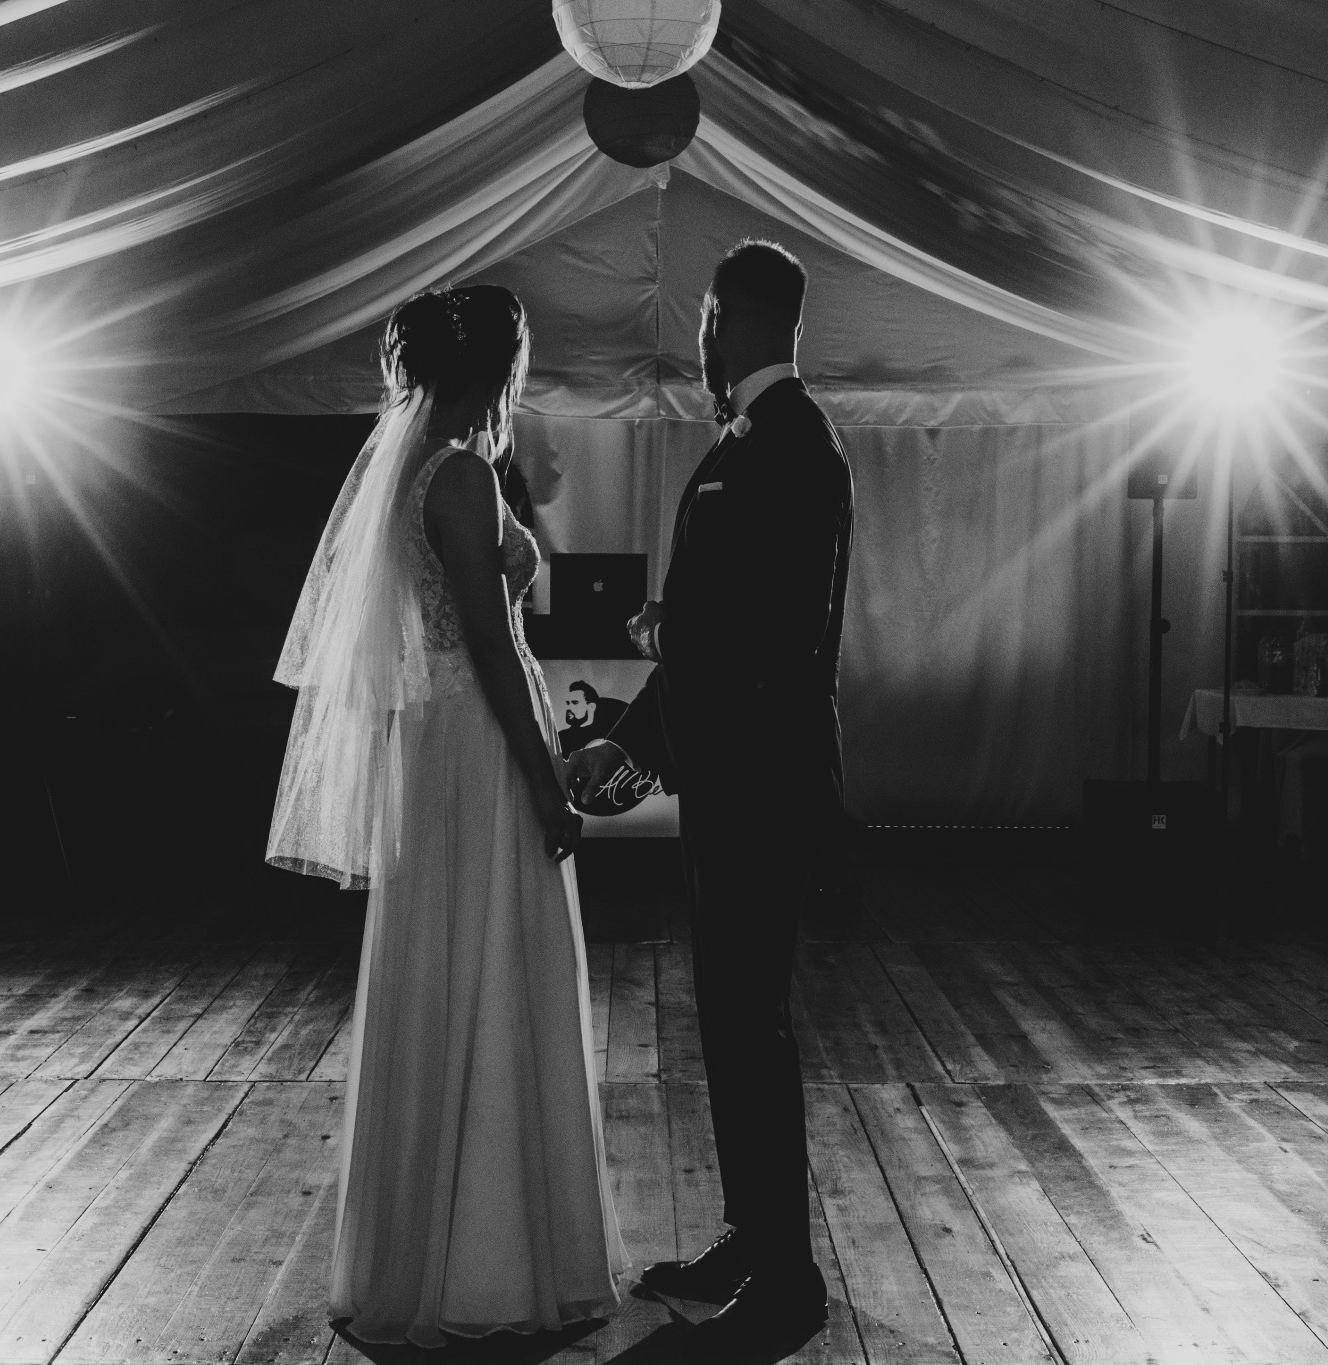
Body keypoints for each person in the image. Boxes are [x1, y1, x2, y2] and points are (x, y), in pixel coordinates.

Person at [268, 285, 629, 1347]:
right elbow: (484, 639)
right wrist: (546, 783)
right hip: (474, 745)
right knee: (490, 971)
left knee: (454, 970)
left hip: (445, 743)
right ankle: (486, 1264)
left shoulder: (425, 463)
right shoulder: (461, 474)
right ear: (497, 367)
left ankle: (437, 1243)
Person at [571, 239, 852, 1361]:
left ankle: (787, 1283)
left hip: (761, 780)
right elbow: (717, 622)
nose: (695, 341)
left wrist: (664, 642)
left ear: (727, 322)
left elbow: (773, 634)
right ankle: (751, 1236)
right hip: (727, 777)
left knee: (752, 1022)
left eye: (700, 323)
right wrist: (638, 729)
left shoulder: (794, 447)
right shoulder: (748, 442)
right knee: (728, 1021)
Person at [558, 680, 628, 757]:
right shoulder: (561, 739)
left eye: (575, 703)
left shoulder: (614, 729)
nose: (568, 708)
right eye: (568, 703)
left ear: (591, 706)